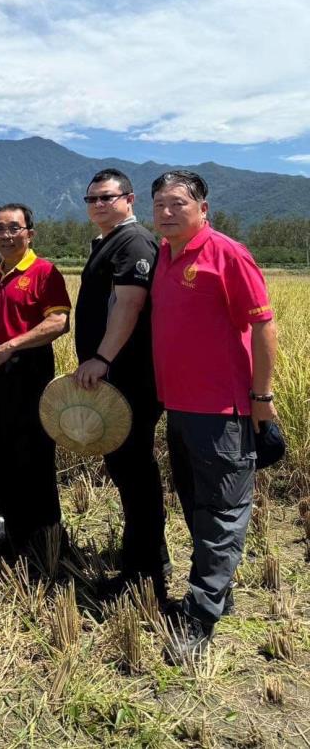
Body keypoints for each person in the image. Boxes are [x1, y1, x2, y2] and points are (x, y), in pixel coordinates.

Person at [150, 171, 277, 662]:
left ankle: (200, 618)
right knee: (197, 506)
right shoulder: (164, 254)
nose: (167, 211)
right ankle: (216, 590)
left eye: (178, 203)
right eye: (160, 203)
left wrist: (261, 397)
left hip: (224, 410)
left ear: (203, 207)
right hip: (179, 406)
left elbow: (263, 327)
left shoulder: (227, 253)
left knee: (223, 511)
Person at [73, 169, 169, 599]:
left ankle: (143, 574)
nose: (98, 205)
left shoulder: (133, 242)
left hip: (129, 377)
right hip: (115, 377)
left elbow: (130, 304)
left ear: (128, 200)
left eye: (107, 198)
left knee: (134, 471)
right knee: (127, 469)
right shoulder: (110, 241)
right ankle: (151, 555)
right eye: (91, 199)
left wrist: (102, 357)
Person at [0, 204, 71, 552]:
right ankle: (12, 534)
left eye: (14, 228)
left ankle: (46, 537)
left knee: (32, 456)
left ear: (29, 233)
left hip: (29, 374)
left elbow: (58, 322)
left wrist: (11, 346)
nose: (6, 235)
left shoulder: (45, 272)